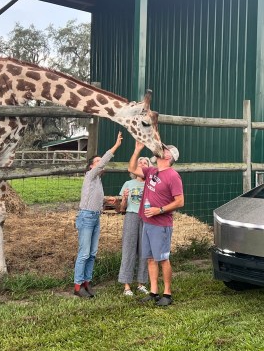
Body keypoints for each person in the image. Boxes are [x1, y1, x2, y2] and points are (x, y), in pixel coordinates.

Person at [128, 141, 184, 306]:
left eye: (164, 149)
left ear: (169, 156)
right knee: (151, 258)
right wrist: (137, 149)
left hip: (161, 224)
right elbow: (131, 168)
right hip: (147, 222)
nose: (161, 149)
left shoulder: (173, 176)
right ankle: (153, 292)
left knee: (163, 259)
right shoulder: (151, 171)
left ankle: (167, 293)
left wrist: (159, 210)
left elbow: (180, 201)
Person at [73, 131, 123, 298]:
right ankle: (77, 285)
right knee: (84, 253)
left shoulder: (97, 182)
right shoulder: (90, 176)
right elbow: (102, 163)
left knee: (92, 253)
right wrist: (116, 146)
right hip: (86, 217)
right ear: (91, 167)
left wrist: (109, 201)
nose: (100, 164)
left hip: (95, 217)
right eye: (96, 162)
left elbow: (98, 199)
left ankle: (87, 282)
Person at [117, 156, 151, 296]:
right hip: (131, 216)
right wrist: (124, 199)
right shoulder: (128, 183)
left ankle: (141, 283)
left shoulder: (151, 185)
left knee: (145, 250)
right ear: (135, 167)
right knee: (129, 249)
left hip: (147, 218)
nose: (142, 164)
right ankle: (126, 285)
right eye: (140, 162)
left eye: (145, 163)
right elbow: (122, 208)